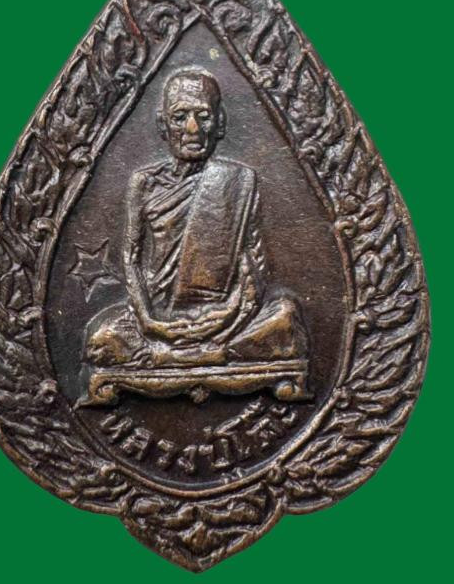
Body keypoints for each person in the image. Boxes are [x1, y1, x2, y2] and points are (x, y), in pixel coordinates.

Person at [84, 68, 307, 369]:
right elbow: (131, 258)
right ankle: (211, 354)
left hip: (226, 317)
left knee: (286, 317)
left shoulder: (239, 181)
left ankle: (172, 356)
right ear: (163, 125)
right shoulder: (145, 183)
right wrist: (149, 321)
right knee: (101, 339)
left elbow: (253, 265)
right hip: (157, 315)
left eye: (203, 116)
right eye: (180, 117)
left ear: (220, 123)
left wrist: (229, 314)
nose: (192, 129)